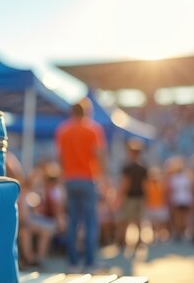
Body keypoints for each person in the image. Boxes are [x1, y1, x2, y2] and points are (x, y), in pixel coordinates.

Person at [55, 98, 107, 273]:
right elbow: (99, 155)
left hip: (70, 179)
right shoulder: (92, 129)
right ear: (85, 112)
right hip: (88, 178)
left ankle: (73, 262)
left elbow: (60, 157)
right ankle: (90, 263)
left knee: (73, 222)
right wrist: (102, 177)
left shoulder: (63, 130)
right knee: (90, 222)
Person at [117, 138, 147, 249]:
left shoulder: (128, 167)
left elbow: (126, 184)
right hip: (140, 196)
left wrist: (120, 197)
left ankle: (122, 241)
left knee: (125, 220)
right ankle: (139, 241)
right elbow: (145, 185)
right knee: (138, 220)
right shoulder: (143, 167)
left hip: (129, 197)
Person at [166, 157, 193, 241]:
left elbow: (172, 190)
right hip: (185, 200)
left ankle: (179, 232)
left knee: (178, 217)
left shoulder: (174, 178)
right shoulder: (187, 177)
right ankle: (181, 232)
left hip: (178, 199)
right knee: (184, 217)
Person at [145, 167, 170, 242]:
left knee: (160, 223)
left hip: (160, 206)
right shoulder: (148, 184)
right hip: (151, 206)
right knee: (152, 223)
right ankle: (154, 235)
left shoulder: (161, 183)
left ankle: (159, 235)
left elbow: (165, 195)